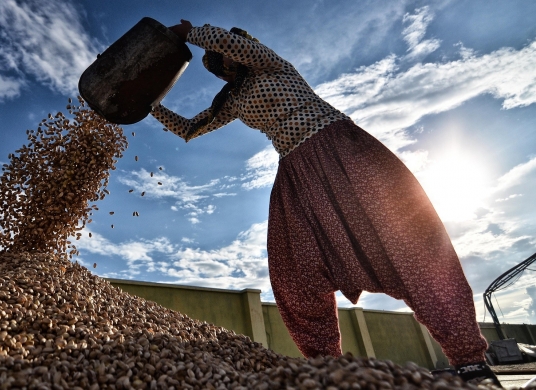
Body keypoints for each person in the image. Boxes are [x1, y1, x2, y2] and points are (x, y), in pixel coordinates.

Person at [151, 19, 499, 386]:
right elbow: (190, 128)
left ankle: (469, 360)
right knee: (294, 268)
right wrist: (150, 104)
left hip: (341, 151)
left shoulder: (271, 63)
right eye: (216, 63)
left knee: (409, 241)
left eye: (222, 55)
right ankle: (328, 368)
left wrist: (188, 31)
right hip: (297, 174)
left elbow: (226, 41)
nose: (222, 63)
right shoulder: (234, 99)